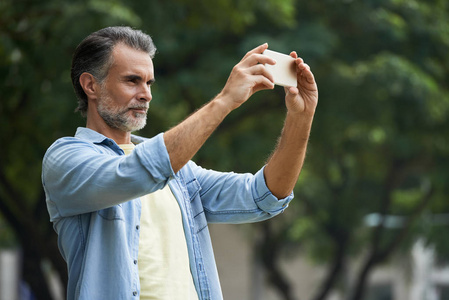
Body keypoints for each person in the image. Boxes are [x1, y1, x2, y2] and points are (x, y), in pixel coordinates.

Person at [42, 26, 318, 300]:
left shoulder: (182, 174)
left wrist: (300, 118)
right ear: (90, 85)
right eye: (132, 80)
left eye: (149, 83)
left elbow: (263, 197)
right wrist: (224, 101)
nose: (146, 94)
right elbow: (136, 173)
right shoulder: (66, 159)